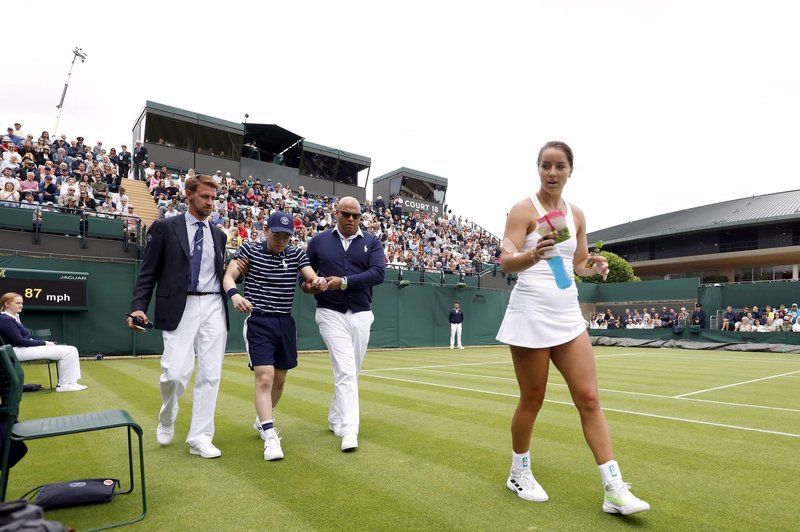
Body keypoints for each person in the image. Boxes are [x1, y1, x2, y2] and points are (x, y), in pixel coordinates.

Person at [495, 141, 649, 514]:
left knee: (589, 397)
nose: (552, 173)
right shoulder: (522, 210)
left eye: (559, 166)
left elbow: (576, 262)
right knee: (533, 399)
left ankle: (613, 488)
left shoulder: (576, 214)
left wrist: (592, 266)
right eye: (546, 166)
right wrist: (531, 254)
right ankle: (519, 472)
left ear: (569, 171)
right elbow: (505, 260)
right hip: (530, 313)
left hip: (567, 314)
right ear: (538, 169)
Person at [128, 173, 229, 459]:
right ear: (188, 195)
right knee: (174, 374)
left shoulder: (219, 235)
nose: (210, 202)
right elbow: (147, 273)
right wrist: (138, 307)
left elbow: (218, 275)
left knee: (210, 375)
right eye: (204, 196)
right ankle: (168, 413)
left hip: (213, 306)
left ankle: (200, 437)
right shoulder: (164, 227)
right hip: (179, 306)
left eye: (213, 197)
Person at [223, 211, 327, 461]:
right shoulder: (249, 250)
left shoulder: (296, 254)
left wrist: (318, 283)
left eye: (286, 236)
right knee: (265, 378)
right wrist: (235, 295)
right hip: (259, 320)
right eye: (277, 234)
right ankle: (270, 436)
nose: (281, 240)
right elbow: (229, 275)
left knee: (279, 381)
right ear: (266, 230)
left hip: (285, 323)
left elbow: (311, 277)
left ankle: (262, 420)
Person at [305, 196, 385, 452]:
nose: (351, 219)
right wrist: (311, 285)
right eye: (346, 214)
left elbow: (379, 273)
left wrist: (345, 281)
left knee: (352, 371)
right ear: (336, 214)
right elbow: (304, 278)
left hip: (361, 312)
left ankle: (335, 417)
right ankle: (350, 430)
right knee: (347, 371)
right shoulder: (318, 241)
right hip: (330, 312)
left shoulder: (371, 241)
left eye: (356, 216)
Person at [0, 292, 87, 391]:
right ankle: (65, 385)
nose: (21, 305)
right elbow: (20, 341)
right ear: (7, 304)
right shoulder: (5, 319)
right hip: (15, 351)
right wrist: (44, 343)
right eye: (18, 303)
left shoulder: (13, 317)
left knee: (71, 349)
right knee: (69, 351)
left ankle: (71, 383)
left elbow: (24, 339)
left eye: (22, 303)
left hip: (21, 349)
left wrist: (44, 343)